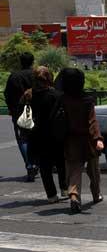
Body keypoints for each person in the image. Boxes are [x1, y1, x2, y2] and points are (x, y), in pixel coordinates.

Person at [60, 68, 104, 214]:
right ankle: (96, 194)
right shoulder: (87, 100)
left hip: (70, 140)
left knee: (74, 170)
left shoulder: (63, 99)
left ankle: (74, 195)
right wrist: (98, 138)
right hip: (88, 140)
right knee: (94, 171)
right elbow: (92, 121)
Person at [24, 66, 67, 203]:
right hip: (56, 135)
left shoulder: (28, 95)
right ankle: (64, 188)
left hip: (37, 135)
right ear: (50, 78)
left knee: (44, 167)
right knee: (61, 162)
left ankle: (51, 195)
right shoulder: (57, 95)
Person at [4, 52, 37, 181]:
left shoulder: (14, 76)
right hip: (37, 110)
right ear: (32, 61)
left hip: (19, 111)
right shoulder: (37, 74)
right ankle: (37, 163)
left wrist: (12, 109)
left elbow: (8, 95)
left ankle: (29, 165)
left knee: (23, 139)